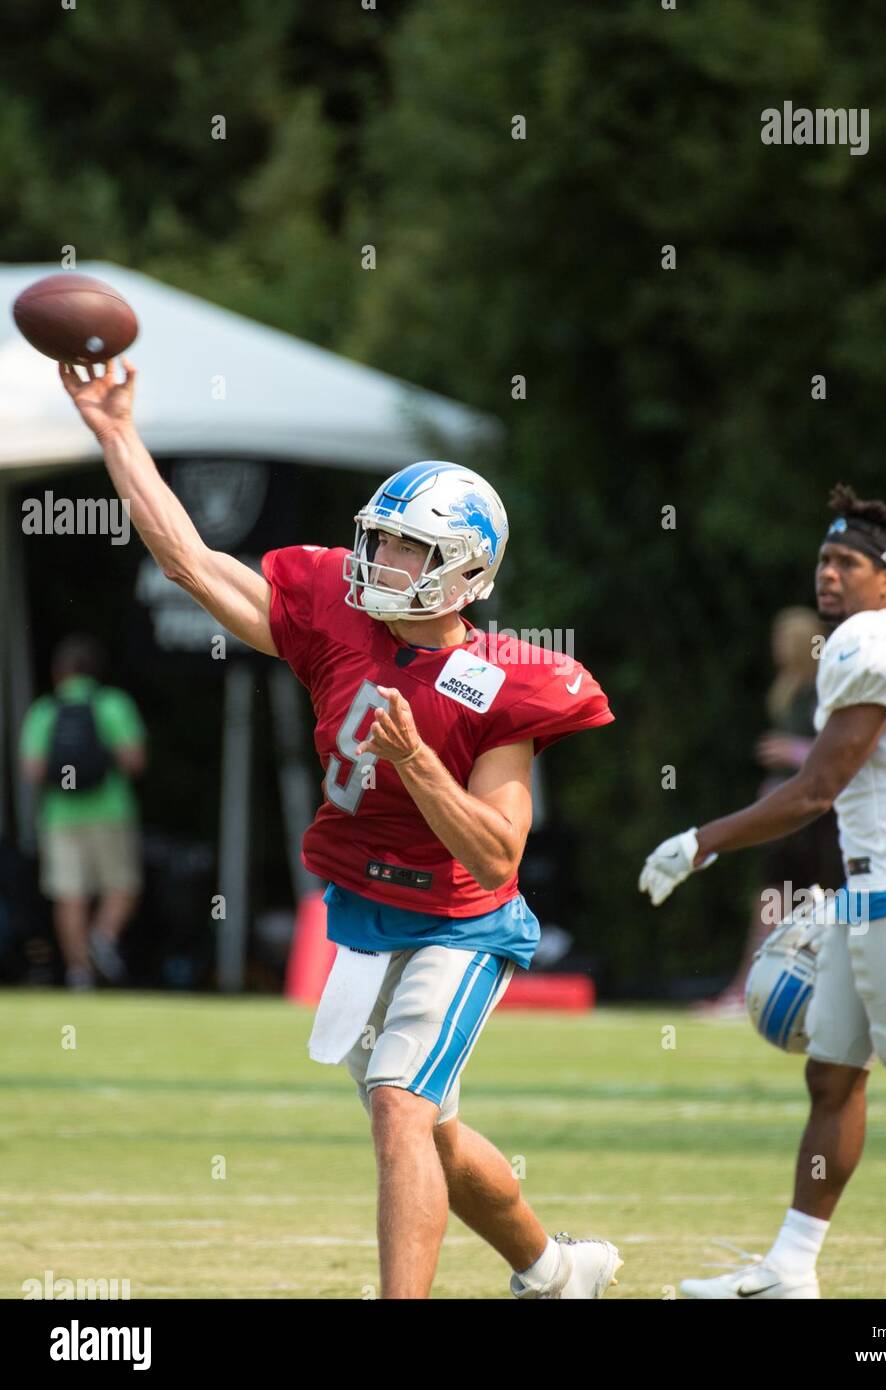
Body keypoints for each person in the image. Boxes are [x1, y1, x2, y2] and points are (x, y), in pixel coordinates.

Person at [60, 356, 622, 1301]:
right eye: (380, 541)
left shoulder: (504, 681)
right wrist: (116, 431)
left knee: (399, 1109)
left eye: (409, 551)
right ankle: (554, 1271)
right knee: (432, 1125)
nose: (381, 563)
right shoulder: (333, 616)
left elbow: (497, 851)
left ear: (468, 574)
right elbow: (189, 562)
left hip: (460, 920)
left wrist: (416, 762)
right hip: (362, 911)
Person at [640, 484, 886, 1300]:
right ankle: (791, 1267)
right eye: (823, 559)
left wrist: (700, 843)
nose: (828, 575)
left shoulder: (867, 645)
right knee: (834, 1078)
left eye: (849, 562)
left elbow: (816, 788)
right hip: (876, 885)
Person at [694, 607, 843, 1017]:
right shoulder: (791, 688)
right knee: (774, 898)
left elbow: (847, 753)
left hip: (820, 815)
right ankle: (751, 987)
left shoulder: (826, 688)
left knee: (819, 899)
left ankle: (793, 989)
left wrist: (793, 753)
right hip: (789, 813)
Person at [19, 634, 146, 989]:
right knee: (122, 886)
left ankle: (78, 973)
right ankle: (103, 937)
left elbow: (30, 769)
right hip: (111, 811)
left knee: (69, 894)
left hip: (60, 817)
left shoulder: (45, 710)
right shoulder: (113, 704)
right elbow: (134, 759)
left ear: (59, 672)